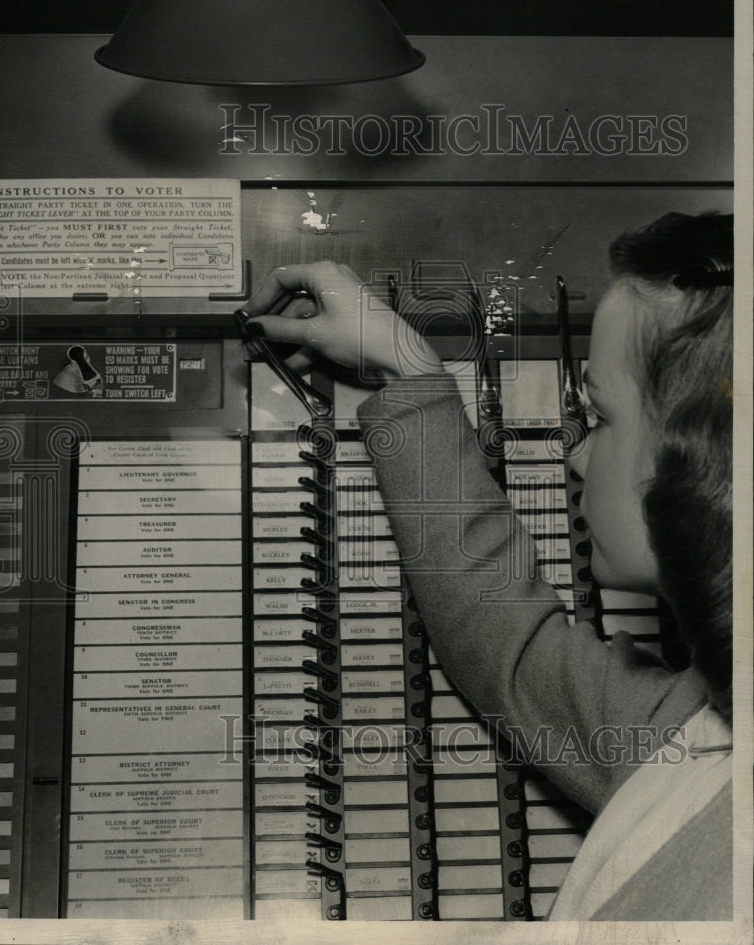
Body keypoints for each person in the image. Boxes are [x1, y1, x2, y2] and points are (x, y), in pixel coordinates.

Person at [242, 211, 734, 921]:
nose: (575, 456)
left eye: (600, 417)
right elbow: (512, 646)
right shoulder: (700, 726)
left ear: (699, 455)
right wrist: (406, 373)